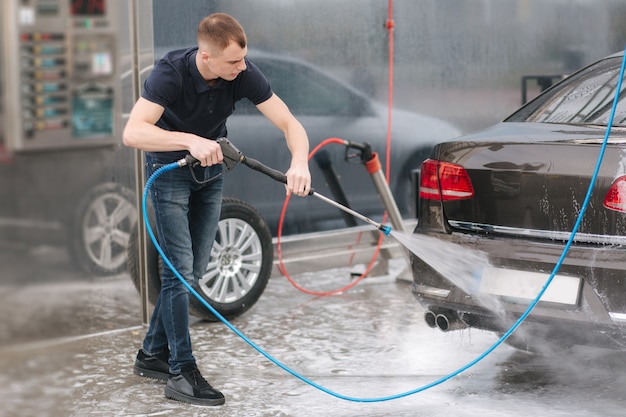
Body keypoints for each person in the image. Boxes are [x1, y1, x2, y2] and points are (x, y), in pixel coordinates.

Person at [123, 12, 311, 407]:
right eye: (233, 62)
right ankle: (181, 372)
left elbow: (289, 122)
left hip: (211, 172)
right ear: (206, 58)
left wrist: (300, 163)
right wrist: (190, 140)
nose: (242, 68)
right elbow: (133, 131)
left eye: (243, 60)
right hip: (168, 171)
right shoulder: (170, 73)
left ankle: (151, 354)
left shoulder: (242, 72)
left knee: (194, 269)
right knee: (178, 271)